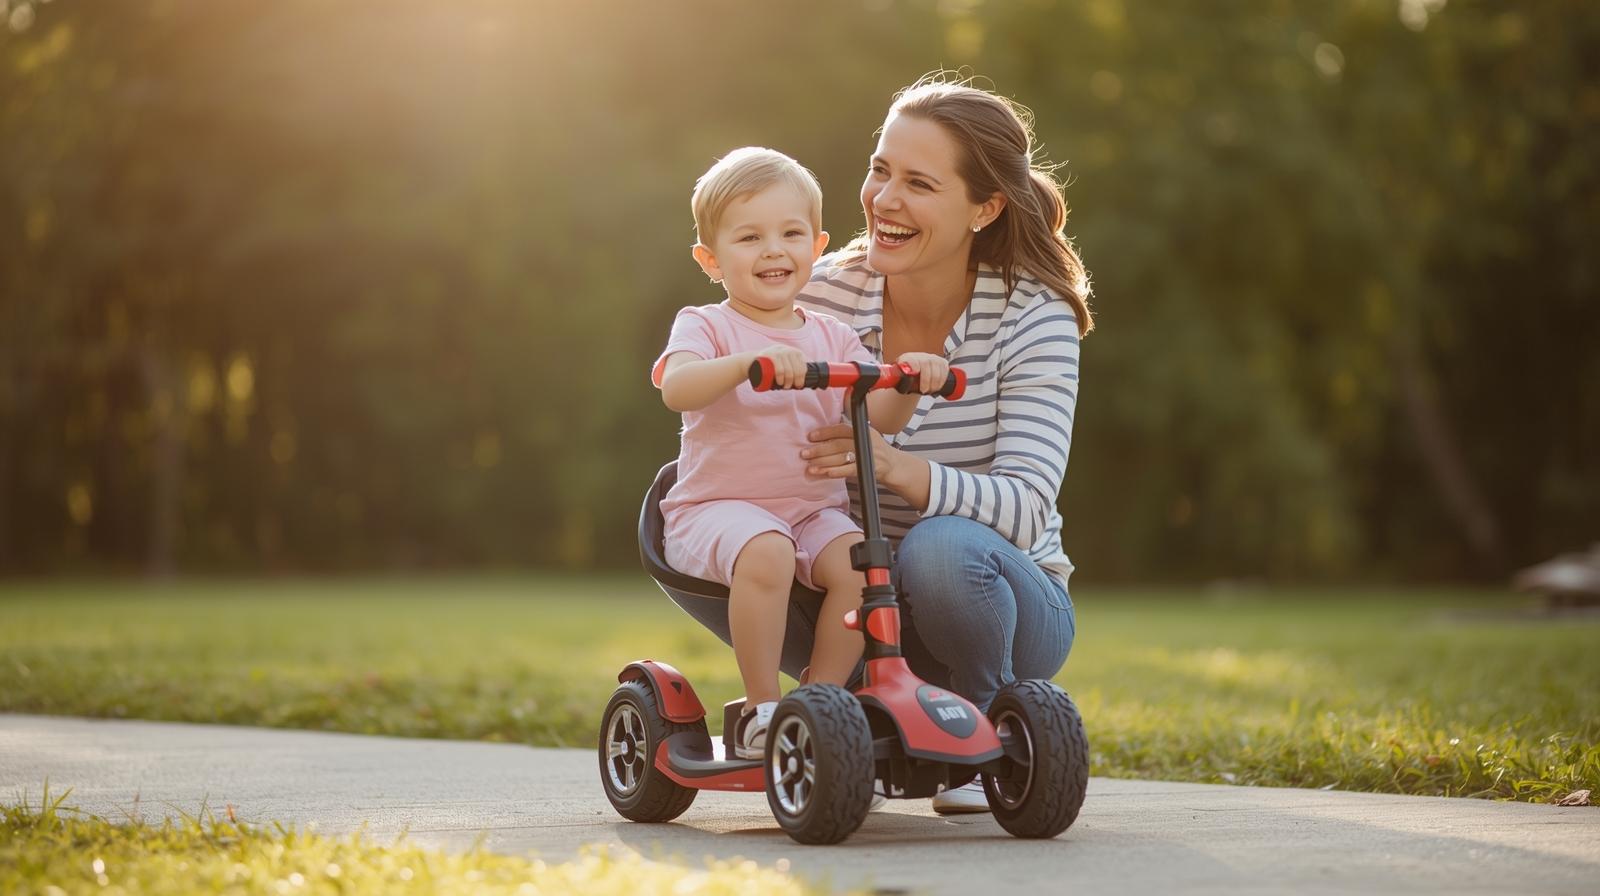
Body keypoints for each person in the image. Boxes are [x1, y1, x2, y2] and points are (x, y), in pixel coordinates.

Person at [657, 77, 1093, 813]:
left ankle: (979, 730)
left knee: (937, 548)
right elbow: (725, 349)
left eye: (918, 183)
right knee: (809, 553)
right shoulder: (818, 293)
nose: (884, 200)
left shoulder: (1032, 315)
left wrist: (899, 468)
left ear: (983, 208)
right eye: (880, 169)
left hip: (994, 599)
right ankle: (812, 715)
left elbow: (1024, 507)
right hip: (844, 584)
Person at [653, 147, 948, 759]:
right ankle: (762, 708)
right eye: (748, 237)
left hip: (810, 512)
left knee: (865, 564)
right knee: (768, 549)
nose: (772, 250)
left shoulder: (833, 336)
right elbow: (677, 386)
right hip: (717, 508)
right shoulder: (705, 325)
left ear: (817, 247)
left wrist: (912, 379)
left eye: (790, 234)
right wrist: (745, 365)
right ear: (710, 259)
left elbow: (882, 415)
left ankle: (821, 699)